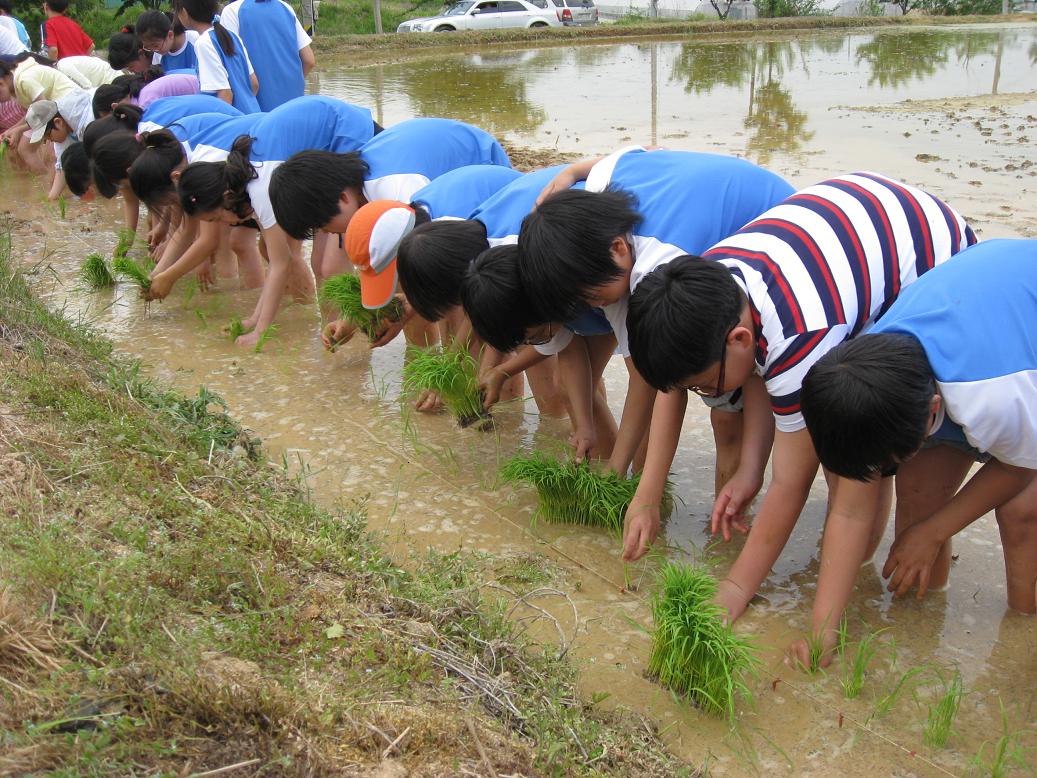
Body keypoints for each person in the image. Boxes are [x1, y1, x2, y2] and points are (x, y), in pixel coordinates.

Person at [623, 172, 976, 629]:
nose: (706, 396)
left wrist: (734, 590)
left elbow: (790, 482)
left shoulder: (799, 337)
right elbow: (747, 369)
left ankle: (915, 628)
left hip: (938, 266)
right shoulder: (709, 282)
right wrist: (735, 473)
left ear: (738, 337)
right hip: (863, 236)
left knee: (893, 478)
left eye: (704, 386)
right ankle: (857, 586)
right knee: (848, 454)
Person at [791, 238, 1037, 668]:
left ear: (932, 414)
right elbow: (849, 513)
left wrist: (934, 532)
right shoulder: (863, 374)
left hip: (1011, 360)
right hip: (985, 316)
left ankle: (1020, 640)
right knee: (920, 507)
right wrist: (822, 632)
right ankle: (917, 639)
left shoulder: (993, 396)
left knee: (1021, 514)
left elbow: (1019, 465)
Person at [510, 146, 794, 476]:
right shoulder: (602, 203)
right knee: (727, 409)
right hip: (748, 238)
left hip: (783, 248)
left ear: (617, 248)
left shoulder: (657, 271)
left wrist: (624, 474)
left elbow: (656, 384)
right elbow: (623, 157)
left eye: (591, 295)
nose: (593, 307)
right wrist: (572, 172)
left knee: (744, 408)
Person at [145, 96, 381, 347]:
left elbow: (281, 264)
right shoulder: (245, 180)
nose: (224, 223)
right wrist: (254, 320)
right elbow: (280, 261)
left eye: (216, 217)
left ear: (226, 197)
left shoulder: (260, 187)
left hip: (348, 136)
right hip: (325, 151)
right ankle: (332, 337)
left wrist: (260, 331)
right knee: (318, 262)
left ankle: (353, 343)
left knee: (331, 267)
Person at [318, 164, 522, 348]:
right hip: (485, 210)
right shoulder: (407, 225)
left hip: (518, 220)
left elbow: (483, 306)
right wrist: (352, 320)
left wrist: (450, 364)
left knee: (498, 331)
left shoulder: (446, 241)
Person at [219, 0, 314, 111]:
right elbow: (309, 60)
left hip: (258, 112)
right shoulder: (285, 7)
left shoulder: (231, 11)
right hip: (294, 108)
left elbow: (233, 68)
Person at [178, 0, 260, 114]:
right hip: (254, 115)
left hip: (234, 124)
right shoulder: (232, 35)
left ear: (184, 13)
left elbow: (225, 94)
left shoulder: (204, 43)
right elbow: (254, 83)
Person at [23, 92, 92, 199]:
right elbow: (63, 167)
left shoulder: (86, 121)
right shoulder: (61, 127)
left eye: (48, 135)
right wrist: (51, 198)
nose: (49, 141)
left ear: (58, 122)